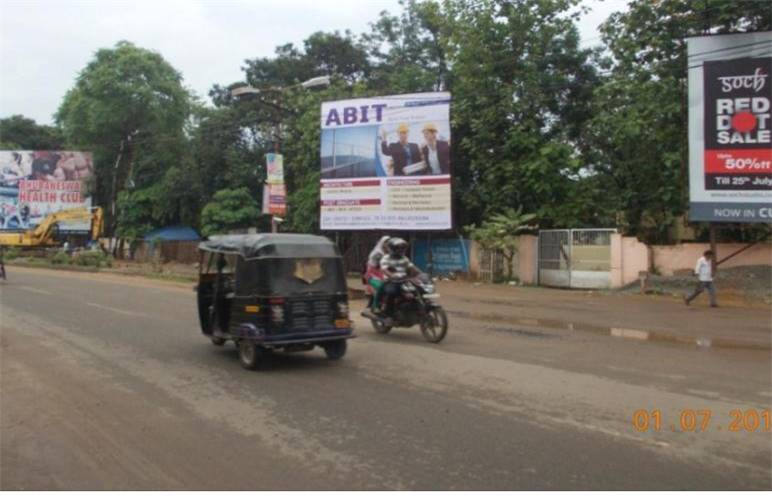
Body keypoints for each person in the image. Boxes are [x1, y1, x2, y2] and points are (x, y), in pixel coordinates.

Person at [379, 237, 420, 316]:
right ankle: (388, 314)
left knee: (417, 291)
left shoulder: (404, 258)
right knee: (392, 292)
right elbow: (384, 269)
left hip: (404, 281)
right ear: (392, 249)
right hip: (391, 281)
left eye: (402, 248)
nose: (401, 250)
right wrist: (392, 275)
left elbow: (412, 267)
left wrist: (421, 274)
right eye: (398, 248)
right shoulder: (386, 258)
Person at [364, 235, 390, 313]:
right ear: (382, 243)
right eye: (387, 243)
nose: (388, 245)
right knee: (381, 288)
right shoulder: (378, 253)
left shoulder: (390, 252)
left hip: (383, 273)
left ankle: (370, 305)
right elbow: (383, 265)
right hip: (373, 275)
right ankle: (376, 307)